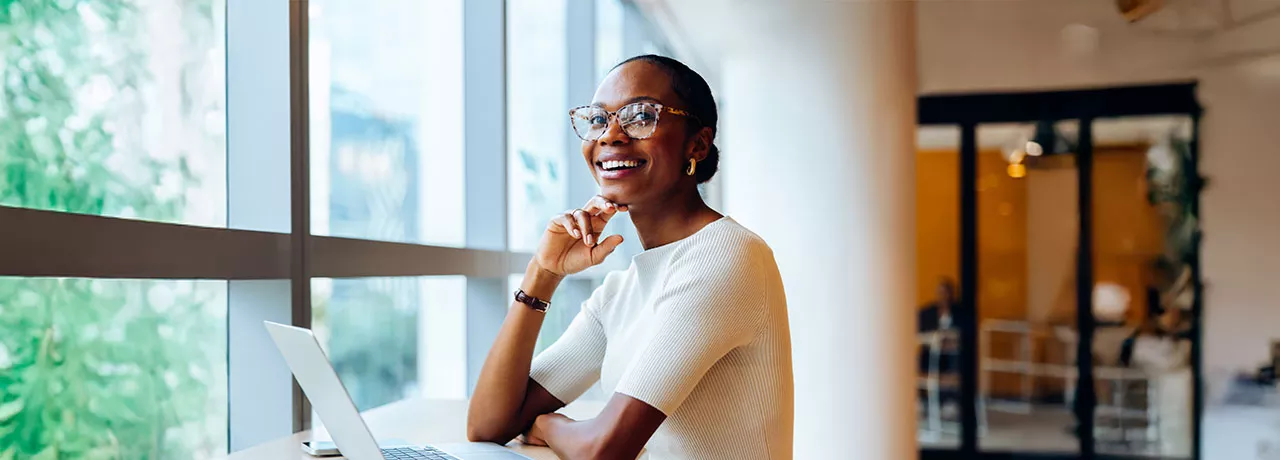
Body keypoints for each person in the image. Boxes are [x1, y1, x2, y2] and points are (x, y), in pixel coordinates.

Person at [466, 55, 794, 459]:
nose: (611, 135)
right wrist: (542, 274)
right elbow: (488, 423)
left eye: (640, 117)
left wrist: (549, 424)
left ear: (698, 143)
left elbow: (604, 450)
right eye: (599, 120)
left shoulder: (727, 256)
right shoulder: (622, 291)